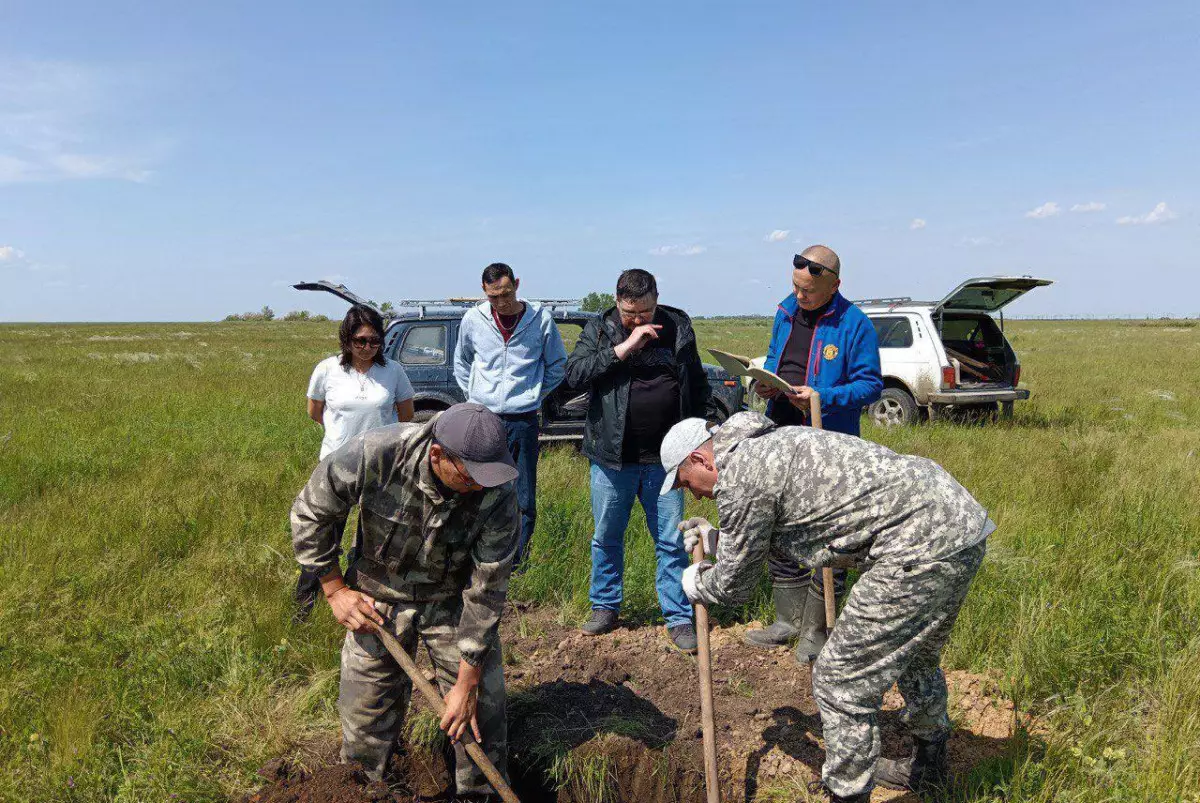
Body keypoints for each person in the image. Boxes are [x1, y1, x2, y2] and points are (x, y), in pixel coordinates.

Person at [660, 412, 994, 802]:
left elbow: (734, 586)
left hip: (917, 546)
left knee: (840, 680)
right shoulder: (763, 446)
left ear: (701, 460)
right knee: (917, 656)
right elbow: (788, 525)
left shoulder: (741, 476)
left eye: (686, 482)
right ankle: (929, 767)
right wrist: (721, 541)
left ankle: (847, 794)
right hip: (957, 524)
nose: (694, 494)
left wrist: (696, 580)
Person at [291, 402, 520, 795]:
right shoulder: (376, 453)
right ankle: (366, 790)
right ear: (437, 455)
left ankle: (477, 792)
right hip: (376, 598)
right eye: (470, 479)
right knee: (365, 718)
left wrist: (466, 684)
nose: (481, 487)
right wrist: (334, 589)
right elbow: (311, 512)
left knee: (481, 712)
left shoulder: (496, 491)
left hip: (453, 602)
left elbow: (488, 588)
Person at [564, 268, 711, 653]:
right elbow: (575, 374)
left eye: (645, 312)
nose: (638, 320)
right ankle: (605, 606)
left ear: (656, 299)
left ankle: (678, 617)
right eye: (630, 313)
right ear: (617, 302)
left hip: (668, 463)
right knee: (607, 536)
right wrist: (624, 346)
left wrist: (704, 435)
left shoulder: (678, 326)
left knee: (670, 541)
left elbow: (694, 382)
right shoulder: (601, 329)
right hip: (613, 459)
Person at [747, 245, 882, 660]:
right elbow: (776, 358)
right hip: (781, 436)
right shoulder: (785, 312)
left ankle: (816, 630)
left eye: (808, 290)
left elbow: (870, 385)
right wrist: (766, 383)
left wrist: (822, 397)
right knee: (780, 526)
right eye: (795, 286)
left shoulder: (854, 324)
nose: (799, 296)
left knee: (829, 537)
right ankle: (786, 620)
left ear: (834, 285)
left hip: (829, 445)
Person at [295, 304, 415, 618]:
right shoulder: (327, 369)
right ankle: (307, 602)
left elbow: (406, 418)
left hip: (381, 468)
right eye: (360, 340)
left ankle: (361, 597)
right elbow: (315, 413)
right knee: (324, 533)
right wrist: (343, 442)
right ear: (347, 339)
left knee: (374, 538)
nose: (367, 347)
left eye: (374, 341)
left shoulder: (393, 371)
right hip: (334, 468)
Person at [454, 262, 568, 569]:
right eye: (494, 297)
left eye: (507, 293)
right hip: (483, 418)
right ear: (484, 292)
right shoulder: (472, 320)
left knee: (523, 495)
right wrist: (475, 399)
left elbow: (558, 364)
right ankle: (477, 559)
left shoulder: (540, 320)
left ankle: (516, 563)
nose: (502, 302)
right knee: (476, 488)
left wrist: (533, 394)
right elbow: (462, 363)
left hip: (523, 419)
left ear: (517, 284)